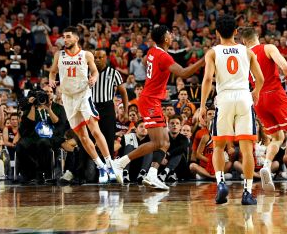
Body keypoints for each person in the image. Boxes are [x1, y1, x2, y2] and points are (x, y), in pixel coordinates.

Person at [111, 24, 205, 190]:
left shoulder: (153, 51)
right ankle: (120, 162)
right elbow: (183, 73)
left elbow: (147, 60)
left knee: (166, 142)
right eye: (170, 33)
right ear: (166, 39)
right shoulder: (163, 56)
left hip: (152, 99)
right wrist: (204, 60)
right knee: (157, 142)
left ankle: (152, 175)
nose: (171, 35)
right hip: (150, 101)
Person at [199, 15, 265, 205]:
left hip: (224, 98)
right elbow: (259, 79)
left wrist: (203, 106)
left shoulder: (212, 52)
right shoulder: (247, 51)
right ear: (236, 32)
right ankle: (247, 192)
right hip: (244, 97)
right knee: (247, 149)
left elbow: (207, 80)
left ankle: (220, 183)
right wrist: (256, 92)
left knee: (218, 146)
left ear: (217, 32)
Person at [240, 27, 287, 193]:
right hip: (274, 94)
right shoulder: (268, 48)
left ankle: (266, 165)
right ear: (257, 36)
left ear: (244, 41)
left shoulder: (243, 56)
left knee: (277, 136)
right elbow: (286, 67)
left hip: (257, 99)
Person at [48, 27, 115, 184]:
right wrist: (51, 79)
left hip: (83, 95)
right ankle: (100, 166)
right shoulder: (59, 55)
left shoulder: (86, 55)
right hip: (68, 98)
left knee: (95, 131)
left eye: (68, 36)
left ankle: (110, 164)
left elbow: (95, 71)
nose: (65, 40)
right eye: (64, 37)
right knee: (83, 137)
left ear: (76, 39)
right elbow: (52, 72)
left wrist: (94, 78)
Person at [92, 49, 130, 167]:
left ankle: (109, 167)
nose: (97, 60)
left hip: (107, 107)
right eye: (95, 57)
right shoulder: (88, 72)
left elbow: (123, 93)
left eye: (100, 57)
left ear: (106, 58)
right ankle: (90, 168)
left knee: (108, 137)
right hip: (91, 107)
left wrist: (126, 112)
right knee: (90, 137)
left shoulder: (114, 73)